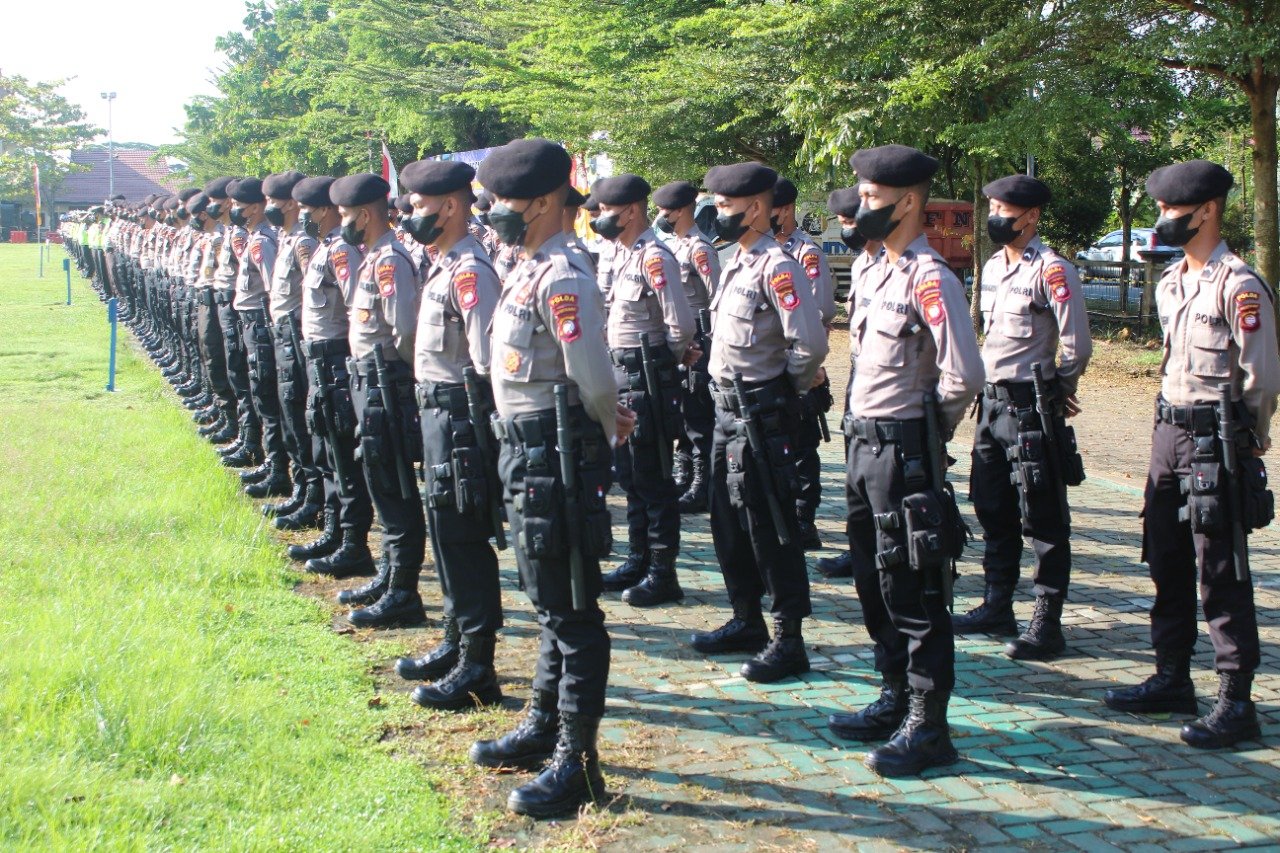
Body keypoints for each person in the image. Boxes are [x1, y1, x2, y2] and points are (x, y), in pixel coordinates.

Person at [466, 138, 631, 818]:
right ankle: (542, 722)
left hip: (556, 454)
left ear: (540, 202)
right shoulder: (528, 266)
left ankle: (577, 758)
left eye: (505, 200)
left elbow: (591, 376)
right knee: (547, 599)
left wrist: (609, 418)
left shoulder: (564, 274)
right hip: (526, 451)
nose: (495, 211)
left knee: (572, 606)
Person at [1103, 159, 1279, 750]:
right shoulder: (1172, 281)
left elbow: (1261, 379)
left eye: (1172, 211)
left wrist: (1247, 440)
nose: (1162, 220)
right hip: (1167, 433)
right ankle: (1172, 677)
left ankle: (1236, 702)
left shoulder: (1240, 285)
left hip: (1216, 438)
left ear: (1206, 211)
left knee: (1220, 568)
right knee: (1165, 557)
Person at [827, 145, 983, 777]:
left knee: (914, 586)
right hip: (862, 445)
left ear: (908, 201)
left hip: (903, 450)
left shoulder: (930, 277)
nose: (861, 207)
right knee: (872, 580)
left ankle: (929, 725)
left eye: (871, 198)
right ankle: (893, 695)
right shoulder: (872, 272)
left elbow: (963, 374)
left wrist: (927, 434)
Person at [688, 161, 828, 683]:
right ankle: (746, 620)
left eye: (725, 207)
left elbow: (809, 345)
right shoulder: (737, 262)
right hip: (726, 412)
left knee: (770, 526)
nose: (716, 214)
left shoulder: (779, 265)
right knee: (727, 521)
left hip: (761, 414)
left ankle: (788, 639)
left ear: (755, 208)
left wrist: (782, 389)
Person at [954, 174, 1093, 660]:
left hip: (1030, 406)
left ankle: (1046, 622)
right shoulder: (992, 266)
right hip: (990, 404)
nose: (994, 216)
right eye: (991, 206)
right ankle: (996, 604)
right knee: (991, 506)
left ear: (1031, 216)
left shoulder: (1052, 271)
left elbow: (1076, 343)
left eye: (1004, 209)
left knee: (1043, 514)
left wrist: (1060, 389)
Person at [393, 158, 506, 711]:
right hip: (436, 414)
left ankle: (478, 665)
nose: (412, 216)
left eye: (419, 207)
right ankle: (455, 640)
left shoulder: (470, 271)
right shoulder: (442, 264)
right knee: (444, 536)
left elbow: (486, 361)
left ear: (453, 206)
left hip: (461, 418)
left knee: (463, 538)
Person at [593, 174, 695, 607]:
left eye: (605, 211)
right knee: (629, 475)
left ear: (631, 210)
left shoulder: (656, 257)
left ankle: (662, 570)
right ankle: (637, 558)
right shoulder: (616, 254)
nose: (599, 219)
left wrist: (662, 361)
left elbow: (681, 325)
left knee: (653, 477)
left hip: (648, 377)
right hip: (618, 377)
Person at [331, 173, 428, 629]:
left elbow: (406, 332)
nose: (342, 222)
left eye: (347, 215)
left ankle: (404, 591)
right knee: (380, 482)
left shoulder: (391, 261)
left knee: (395, 489)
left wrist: (404, 379)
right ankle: (390, 576)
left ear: (365, 215)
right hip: (368, 382)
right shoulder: (372, 258)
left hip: (387, 384)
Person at [286, 176, 378, 577]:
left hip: (337, 359)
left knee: (343, 453)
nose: (302, 217)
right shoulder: (324, 249)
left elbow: (356, 307)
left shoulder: (342, 252)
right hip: (317, 359)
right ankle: (333, 529)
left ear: (324, 211)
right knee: (325, 450)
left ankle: (353, 542)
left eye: (307, 210)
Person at [814, 186, 881, 580]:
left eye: (851, 222)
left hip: (891, 385)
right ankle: (860, 549)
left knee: (886, 475)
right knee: (856, 468)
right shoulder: (861, 265)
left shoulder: (903, 266)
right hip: (860, 375)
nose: (847, 230)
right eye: (842, 224)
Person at [773, 177, 838, 550]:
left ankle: (804, 519)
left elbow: (820, 310)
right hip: (768, 366)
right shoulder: (758, 250)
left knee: (801, 447)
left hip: (799, 363)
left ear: (785, 210)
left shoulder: (805, 254)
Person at [653, 179, 720, 514]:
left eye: (665, 211)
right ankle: (684, 477)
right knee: (681, 414)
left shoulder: (699, 248)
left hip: (699, 340)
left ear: (680, 210)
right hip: (680, 339)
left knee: (697, 414)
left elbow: (716, 297)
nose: (661, 216)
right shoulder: (674, 246)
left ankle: (701, 484)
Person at [263, 170, 325, 527]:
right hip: (283, 332)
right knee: (288, 414)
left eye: (273, 201)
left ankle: (313, 498)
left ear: (289, 204)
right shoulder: (286, 239)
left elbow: (311, 297)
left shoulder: (304, 242)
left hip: (298, 334)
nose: (269, 207)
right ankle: (302, 490)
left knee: (302, 416)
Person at [228, 177, 291, 497]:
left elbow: (271, 292)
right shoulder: (255, 236)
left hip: (262, 325)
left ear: (254, 207)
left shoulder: (262, 240)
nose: (235, 211)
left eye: (239, 206)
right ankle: (270, 460)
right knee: (257, 393)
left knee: (267, 397)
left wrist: (267, 333)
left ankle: (279, 467)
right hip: (251, 323)